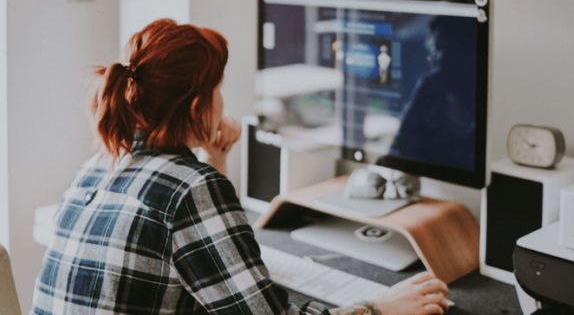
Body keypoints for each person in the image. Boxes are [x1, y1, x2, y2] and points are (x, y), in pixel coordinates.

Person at [30, 19, 449, 315]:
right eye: (219, 89)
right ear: (199, 106)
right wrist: (383, 308)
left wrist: (215, 160)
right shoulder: (190, 189)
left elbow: (201, 256)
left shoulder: (98, 164)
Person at [388, 16, 477, 171]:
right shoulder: (430, 87)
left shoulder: (486, 101)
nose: (441, 57)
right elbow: (399, 148)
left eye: (453, 48)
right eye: (437, 47)